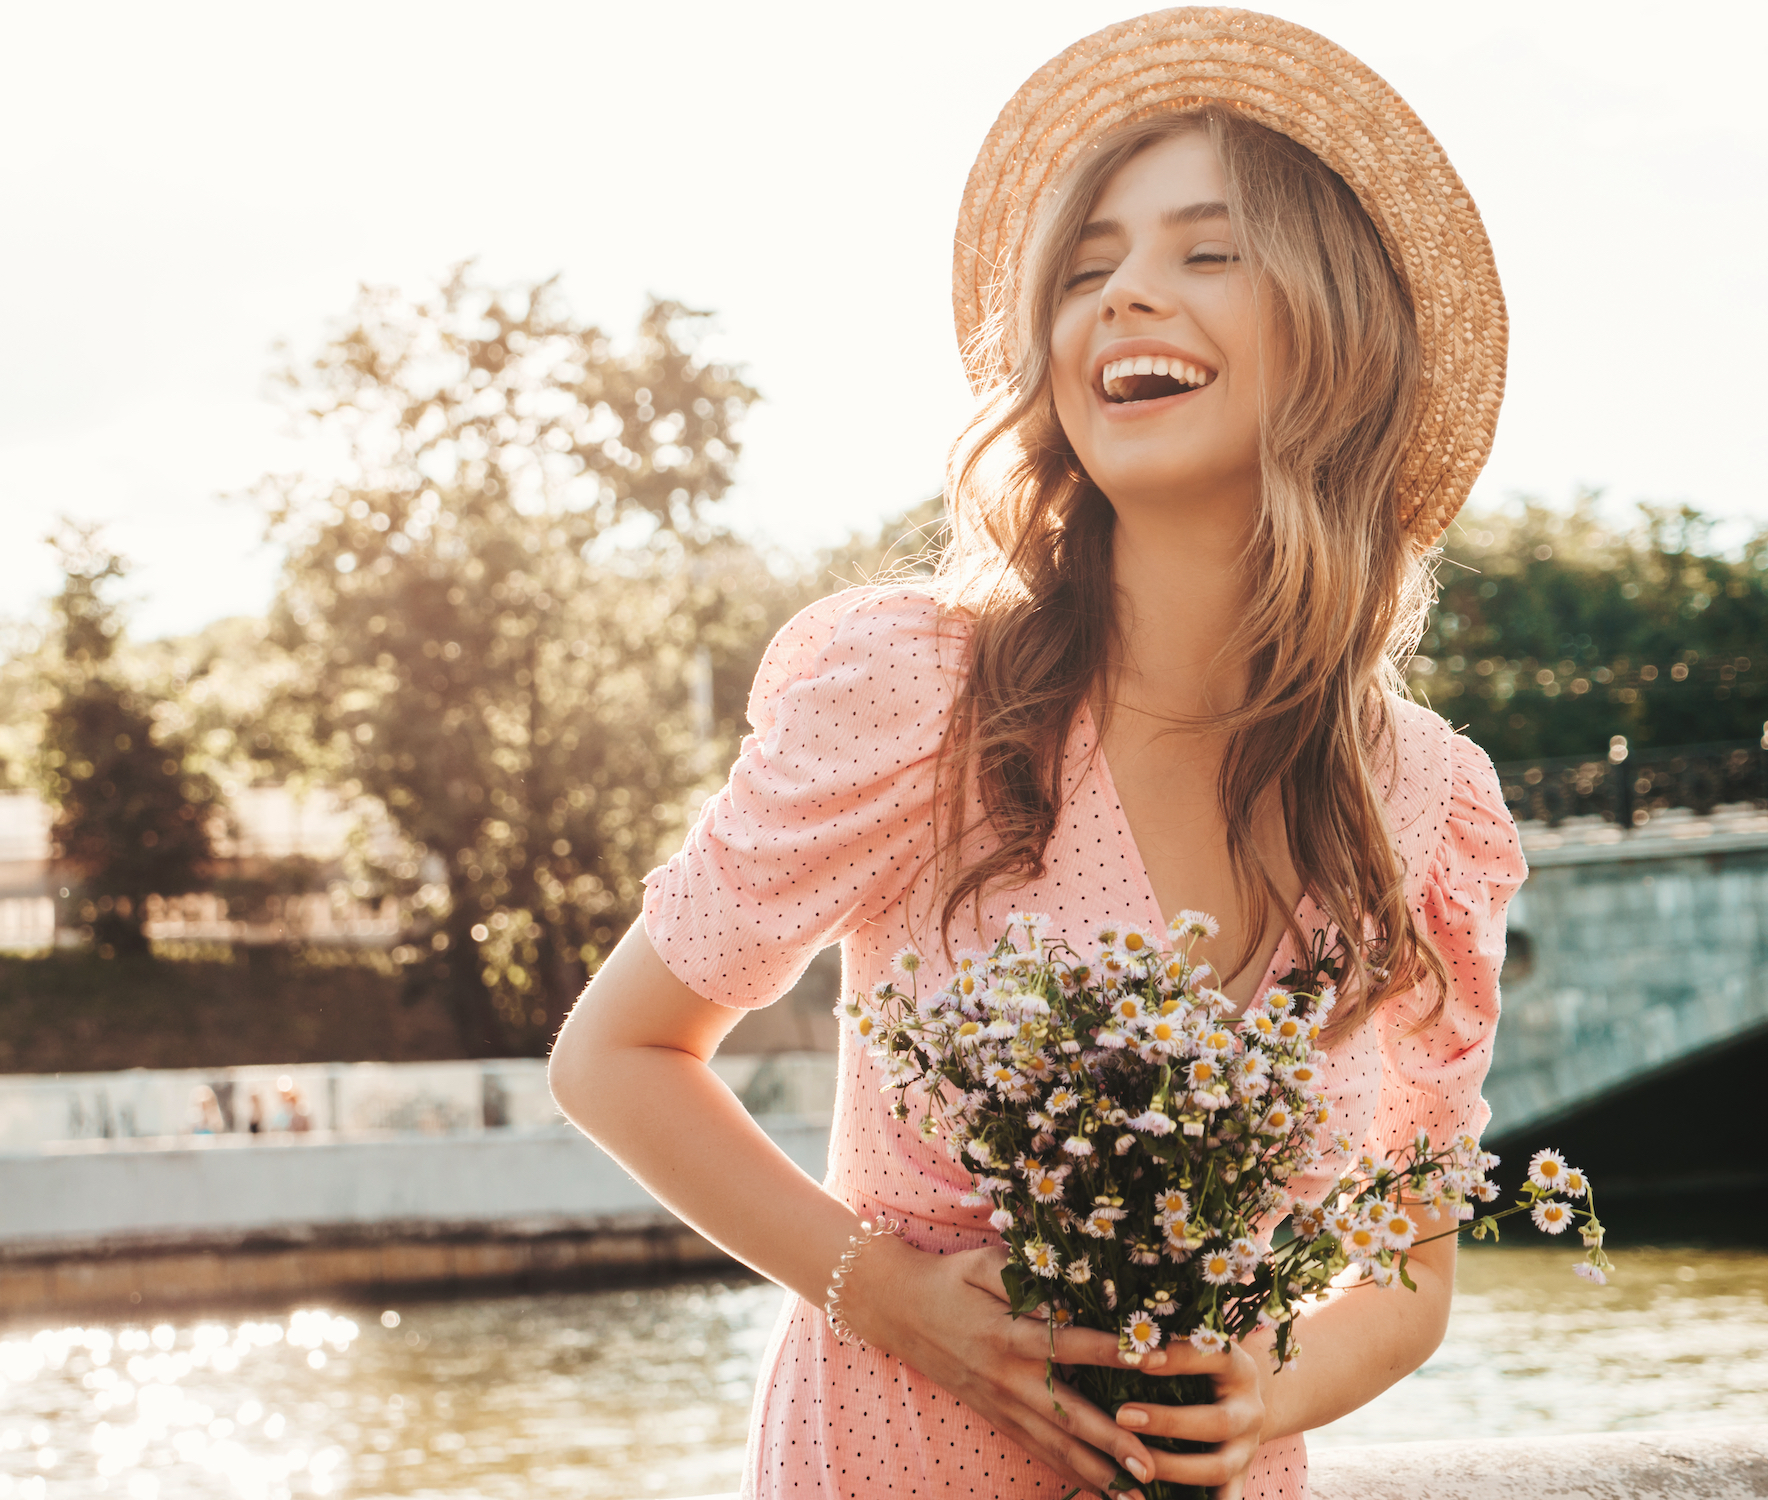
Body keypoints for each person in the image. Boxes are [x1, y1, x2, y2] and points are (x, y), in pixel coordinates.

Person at [550, 11, 1524, 1499]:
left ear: (1342, 331)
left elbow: (1411, 1275)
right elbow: (615, 1058)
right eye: (1088, 267)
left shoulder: (1430, 804)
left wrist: (1266, 1389)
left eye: (1207, 250)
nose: (1128, 291)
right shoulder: (925, 692)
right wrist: (884, 1294)